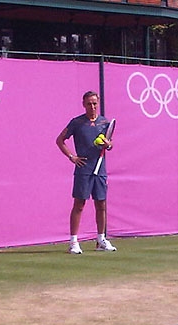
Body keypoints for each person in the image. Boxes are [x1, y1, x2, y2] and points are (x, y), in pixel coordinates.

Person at [56, 90, 117, 254]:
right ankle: (73, 242)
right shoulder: (77, 123)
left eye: (95, 103)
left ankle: (101, 239)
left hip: (100, 169)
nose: (92, 107)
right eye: (89, 104)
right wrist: (72, 157)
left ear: (98, 103)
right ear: (84, 104)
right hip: (83, 169)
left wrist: (108, 145)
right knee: (79, 204)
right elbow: (60, 140)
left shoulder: (104, 122)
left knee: (101, 204)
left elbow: (109, 144)